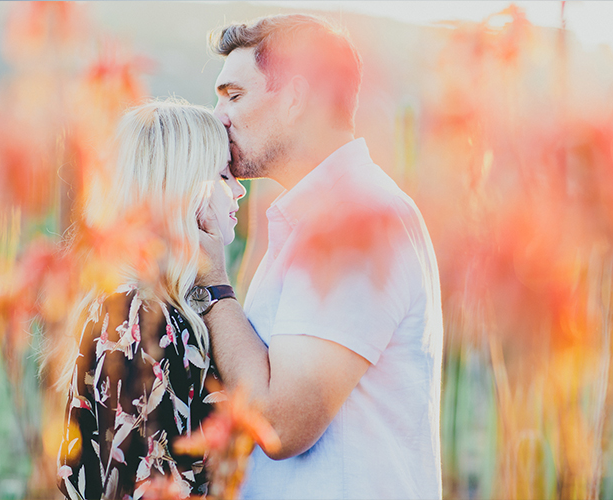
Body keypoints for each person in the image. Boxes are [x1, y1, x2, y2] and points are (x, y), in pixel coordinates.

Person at [196, 14, 444, 500]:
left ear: (293, 98)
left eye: (234, 95)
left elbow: (281, 423)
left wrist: (211, 283)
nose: (218, 115)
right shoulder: (316, 221)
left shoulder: (358, 222)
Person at [56, 99, 246, 500]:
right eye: (224, 175)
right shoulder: (136, 318)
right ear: (185, 188)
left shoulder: (150, 309)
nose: (239, 190)